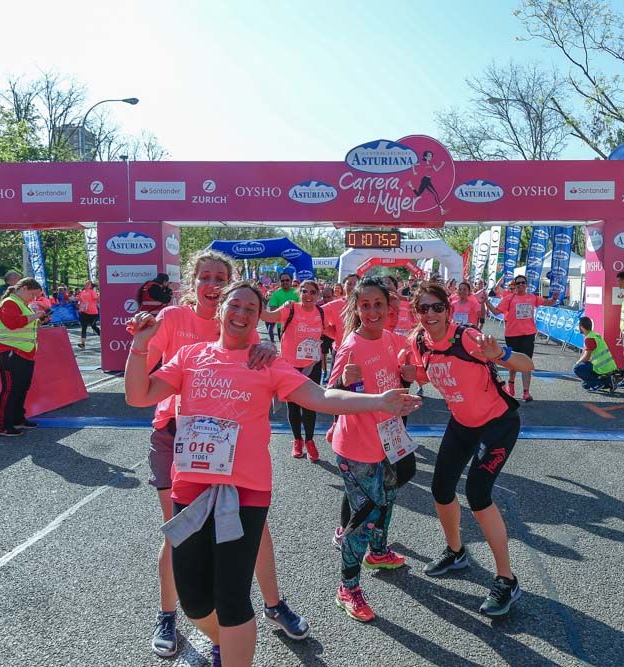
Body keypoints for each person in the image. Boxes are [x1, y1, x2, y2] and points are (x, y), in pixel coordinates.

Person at [124, 281, 419, 666]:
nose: (242, 314)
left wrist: (378, 400)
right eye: (235, 305)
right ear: (220, 310)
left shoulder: (265, 362)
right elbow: (138, 394)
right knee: (194, 601)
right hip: (191, 490)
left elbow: (320, 396)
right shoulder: (189, 356)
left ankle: (234, 648)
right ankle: (227, 643)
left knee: (231, 599)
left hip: (245, 492)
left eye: (251, 308)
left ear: (259, 316)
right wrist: (140, 344)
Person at [141, 252, 309, 660]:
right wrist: (138, 343)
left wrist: (267, 349)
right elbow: (142, 381)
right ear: (193, 281)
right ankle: (171, 614)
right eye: (206, 277)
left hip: (234, 454)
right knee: (180, 532)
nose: (213, 285)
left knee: (248, 532)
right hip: (176, 437)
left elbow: (265, 363)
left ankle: (270, 605)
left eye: (221, 277)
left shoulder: (243, 317)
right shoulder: (173, 319)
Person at [404, 282, 532, 616]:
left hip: (498, 423)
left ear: (448, 309)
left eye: (436, 307)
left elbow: (526, 364)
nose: (430, 314)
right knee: (441, 488)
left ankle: (506, 579)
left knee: (478, 494)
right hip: (462, 423)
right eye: (423, 309)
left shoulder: (468, 337)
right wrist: (409, 373)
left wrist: (500, 355)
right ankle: (456, 551)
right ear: (415, 312)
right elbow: (427, 375)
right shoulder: (419, 342)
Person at [328, 276, 417, 623]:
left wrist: (407, 381)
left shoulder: (394, 340)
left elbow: (392, 388)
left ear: (388, 306)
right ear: (356, 308)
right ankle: (347, 587)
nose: (371, 311)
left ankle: (378, 553)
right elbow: (330, 394)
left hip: (389, 441)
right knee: (364, 519)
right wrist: (343, 382)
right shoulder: (350, 346)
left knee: (388, 500)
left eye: (377, 304)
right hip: (357, 447)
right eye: (364, 305)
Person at [261, 279, 324, 461]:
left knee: (311, 405)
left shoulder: (321, 312)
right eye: (304, 291)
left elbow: (332, 331)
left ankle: (310, 441)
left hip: (312, 365)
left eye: (313, 292)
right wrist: (254, 300)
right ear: (299, 292)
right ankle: (297, 440)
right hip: (291, 365)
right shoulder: (290, 309)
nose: (308, 295)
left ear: (317, 295)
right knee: (294, 406)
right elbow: (268, 316)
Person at [484, 276, 558, 401]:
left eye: (523, 283)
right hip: (512, 335)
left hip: (528, 334)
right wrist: (486, 301)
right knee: (513, 363)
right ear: (515, 285)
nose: (520, 285)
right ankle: (511, 383)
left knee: (526, 362)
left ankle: (526, 392)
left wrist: (554, 298)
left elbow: (548, 303)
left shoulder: (532, 298)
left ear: (526, 285)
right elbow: (496, 312)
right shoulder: (509, 298)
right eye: (518, 283)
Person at [0, 278, 49, 436]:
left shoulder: (23, 304)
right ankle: (2, 425)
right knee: (11, 389)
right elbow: (13, 323)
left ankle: (17, 419)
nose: (34, 299)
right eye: (33, 294)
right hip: (9, 351)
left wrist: (38, 320)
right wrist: (35, 315)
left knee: (22, 388)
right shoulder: (9, 302)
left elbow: (25, 325)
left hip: (24, 352)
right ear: (23, 288)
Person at [573, 316, 618, 393]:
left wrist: (578, 362)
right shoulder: (595, 335)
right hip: (609, 365)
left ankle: (596, 385)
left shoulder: (589, 339)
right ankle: (608, 382)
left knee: (577, 368)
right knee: (585, 385)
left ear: (582, 327)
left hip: (601, 367)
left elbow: (587, 357)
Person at [266, 273, 300, 344]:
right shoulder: (276, 294)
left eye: (287, 280)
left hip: (298, 326)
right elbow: (273, 311)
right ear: (280, 282)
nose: (285, 282)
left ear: (291, 281)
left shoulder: (297, 292)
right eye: (282, 280)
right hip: (282, 327)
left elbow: (302, 308)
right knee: (285, 350)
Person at [76, 281, 100, 349]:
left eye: (88, 284)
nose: (86, 285)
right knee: (84, 327)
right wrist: (78, 303)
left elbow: (97, 300)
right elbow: (80, 300)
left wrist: (99, 294)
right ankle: (82, 343)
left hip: (92, 313)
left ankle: (104, 338)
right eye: (86, 283)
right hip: (84, 312)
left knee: (93, 326)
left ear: (90, 286)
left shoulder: (92, 292)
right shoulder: (82, 292)